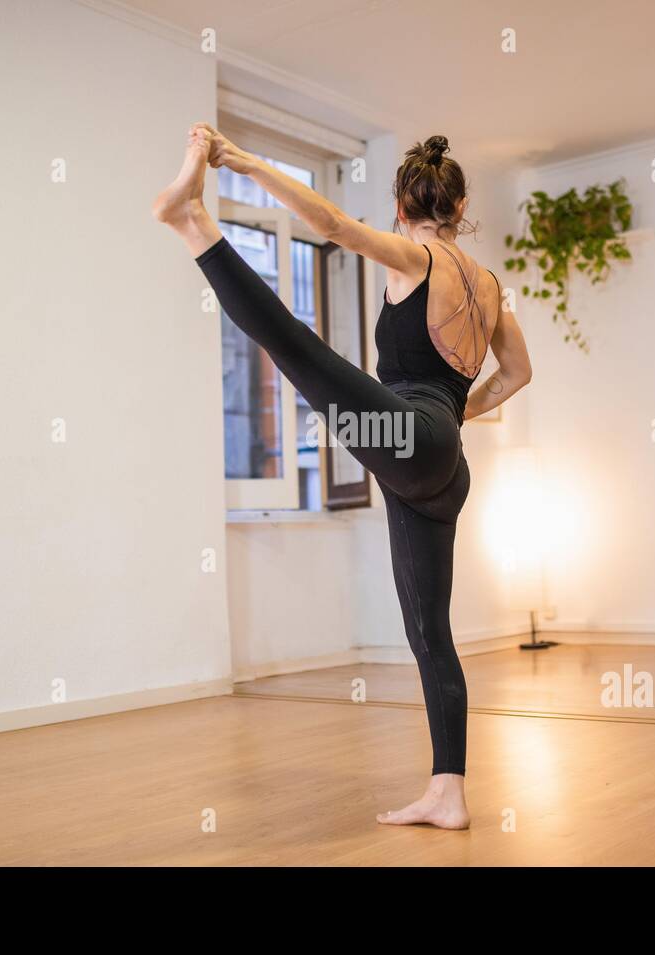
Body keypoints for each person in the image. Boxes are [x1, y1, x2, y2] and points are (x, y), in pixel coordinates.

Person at [154, 123, 532, 829]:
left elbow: (327, 222)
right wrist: (458, 419)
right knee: (429, 632)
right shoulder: (488, 283)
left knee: (296, 346)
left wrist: (241, 159)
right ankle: (447, 793)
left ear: (401, 206)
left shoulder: (415, 258)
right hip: (439, 463)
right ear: (459, 206)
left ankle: (192, 221)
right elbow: (519, 372)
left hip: (410, 439)